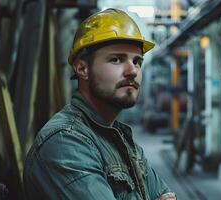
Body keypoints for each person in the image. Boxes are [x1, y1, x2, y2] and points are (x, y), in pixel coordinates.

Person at [23, 8, 176, 200]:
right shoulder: (65, 142)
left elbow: (166, 195)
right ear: (82, 68)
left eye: (137, 61)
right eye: (116, 59)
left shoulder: (119, 136)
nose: (132, 71)